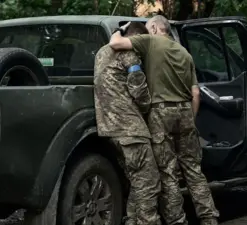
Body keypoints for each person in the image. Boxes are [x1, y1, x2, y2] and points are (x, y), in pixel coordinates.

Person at [108, 16, 220, 225]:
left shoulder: (150, 42)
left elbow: (115, 43)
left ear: (154, 27)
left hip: (160, 113)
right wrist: (190, 121)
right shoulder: (185, 53)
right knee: (194, 171)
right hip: (185, 112)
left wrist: (120, 28)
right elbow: (196, 94)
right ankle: (209, 218)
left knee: (168, 172)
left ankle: (177, 221)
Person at [94, 21, 162, 225]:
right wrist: (149, 106)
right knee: (149, 182)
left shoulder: (101, 53)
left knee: (136, 180)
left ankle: (132, 220)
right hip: (130, 129)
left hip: (108, 129)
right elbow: (139, 90)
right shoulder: (129, 54)